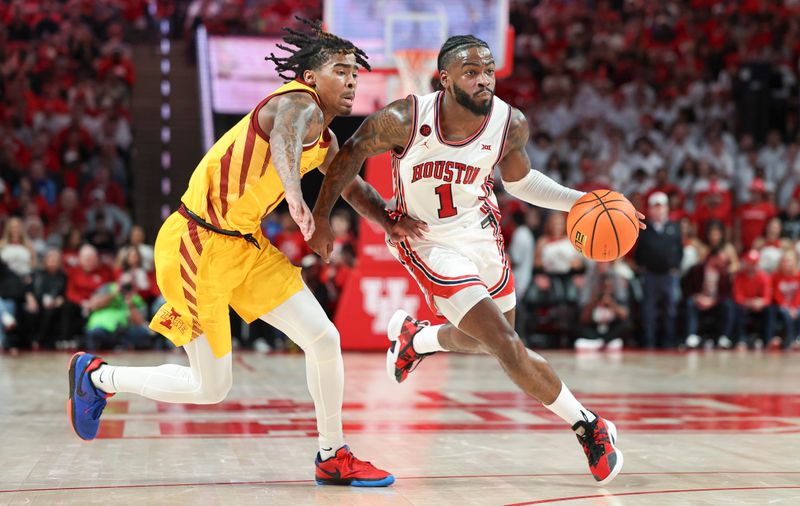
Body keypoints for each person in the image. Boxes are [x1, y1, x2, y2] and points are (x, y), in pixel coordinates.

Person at [68, 19, 398, 487]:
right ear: (309, 77)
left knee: (323, 338)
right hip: (194, 243)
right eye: (340, 70)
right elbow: (284, 144)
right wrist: (296, 198)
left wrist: (390, 222)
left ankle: (332, 453)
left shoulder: (324, 137)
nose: (350, 80)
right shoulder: (293, 104)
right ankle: (98, 377)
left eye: (354, 73)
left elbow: (351, 184)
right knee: (211, 387)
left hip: (245, 246)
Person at [309, 35, 646, 485]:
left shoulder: (511, 123)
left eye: (488, 69)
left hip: (480, 230)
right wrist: (326, 216)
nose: (484, 78)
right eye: (471, 71)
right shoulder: (402, 120)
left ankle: (418, 341)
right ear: (444, 79)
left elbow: (521, 182)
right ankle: (588, 425)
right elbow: (346, 160)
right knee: (507, 345)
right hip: (427, 240)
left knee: (493, 340)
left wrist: (584, 201)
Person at [634, 191, 683, 349]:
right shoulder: (645, 229)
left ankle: (668, 342)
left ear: (667, 208)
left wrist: (675, 265)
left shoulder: (674, 228)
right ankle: (649, 342)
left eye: (661, 206)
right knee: (649, 311)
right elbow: (639, 253)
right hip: (651, 275)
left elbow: (679, 251)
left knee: (670, 310)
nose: (658, 210)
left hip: (669, 275)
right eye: (655, 207)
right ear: (650, 209)